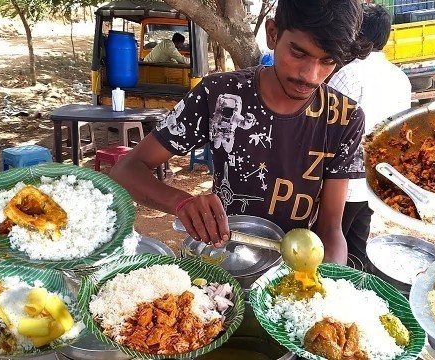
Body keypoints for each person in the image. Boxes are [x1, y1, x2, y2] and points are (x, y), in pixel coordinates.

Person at [110, 0, 371, 265]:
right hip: (219, 263)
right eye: (299, 53)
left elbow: (330, 229)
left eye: (327, 61)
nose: (311, 76)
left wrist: (331, 284)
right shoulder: (219, 94)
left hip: (292, 270)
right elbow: (126, 170)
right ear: (272, 34)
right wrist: (181, 202)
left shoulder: (345, 117)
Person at [327, 4, 412, 267]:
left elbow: (326, 131)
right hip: (376, 182)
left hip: (342, 186)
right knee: (357, 246)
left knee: (329, 245)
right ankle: (357, 285)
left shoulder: (348, 76)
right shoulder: (401, 79)